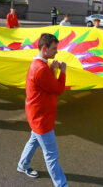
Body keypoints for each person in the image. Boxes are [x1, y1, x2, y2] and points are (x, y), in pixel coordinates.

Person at [17, 33, 68, 187]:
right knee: (52, 155)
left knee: (33, 141)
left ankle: (23, 164)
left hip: (36, 115)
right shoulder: (41, 68)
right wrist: (63, 71)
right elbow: (58, 89)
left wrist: (52, 70)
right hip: (41, 119)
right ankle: (62, 185)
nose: (56, 52)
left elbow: (48, 85)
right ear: (44, 49)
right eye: (54, 49)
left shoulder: (41, 64)